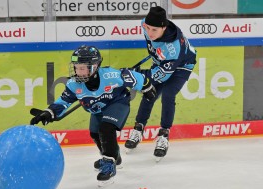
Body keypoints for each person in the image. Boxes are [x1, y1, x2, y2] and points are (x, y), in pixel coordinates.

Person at [30, 45, 156, 186]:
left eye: (82, 68)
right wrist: (48, 113)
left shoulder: (111, 76)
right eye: (76, 67)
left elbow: (136, 77)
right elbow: (63, 101)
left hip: (117, 103)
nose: (78, 71)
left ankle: (109, 164)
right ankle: (114, 157)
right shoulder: (73, 85)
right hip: (97, 110)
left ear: (95, 67)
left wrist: (147, 87)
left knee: (106, 128)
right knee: (95, 134)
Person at [125, 6, 197, 160]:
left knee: (167, 95)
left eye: (154, 30)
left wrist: (136, 75)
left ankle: (164, 134)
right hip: (162, 62)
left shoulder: (173, 48)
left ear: (164, 28)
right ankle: (139, 128)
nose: (150, 33)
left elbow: (160, 77)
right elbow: (149, 33)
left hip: (181, 66)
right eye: (148, 29)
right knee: (148, 93)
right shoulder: (145, 24)